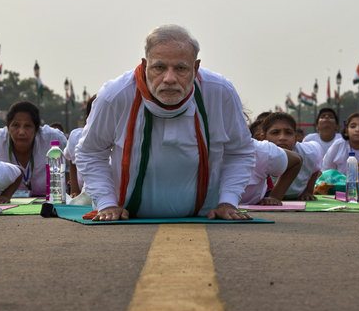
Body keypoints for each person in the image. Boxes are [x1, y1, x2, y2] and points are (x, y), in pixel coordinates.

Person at [75, 24, 255, 221]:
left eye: (180, 68)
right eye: (159, 67)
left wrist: (228, 201)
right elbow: (90, 151)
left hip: (204, 219)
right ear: (145, 66)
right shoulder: (115, 95)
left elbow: (240, 151)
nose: (169, 78)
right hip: (124, 220)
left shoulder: (219, 92)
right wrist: (107, 203)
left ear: (195, 67)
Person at [0, 101, 67, 197]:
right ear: (8, 127)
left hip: (49, 203)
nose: (21, 132)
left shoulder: (54, 138)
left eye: (27, 126)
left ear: (36, 129)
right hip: (1, 204)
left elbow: (70, 169)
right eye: (15, 125)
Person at [261, 112, 322, 201]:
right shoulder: (258, 153)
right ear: (263, 137)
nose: (282, 137)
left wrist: (308, 191)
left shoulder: (309, 152)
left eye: (288, 133)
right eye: (275, 132)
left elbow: (315, 168)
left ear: (296, 137)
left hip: (296, 197)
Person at [322, 112, 359, 181]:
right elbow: (326, 172)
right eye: (353, 126)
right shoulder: (338, 145)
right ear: (346, 131)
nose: (357, 130)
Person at [64, 95, 96, 197]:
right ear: (88, 118)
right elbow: (72, 161)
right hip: (85, 198)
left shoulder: (121, 138)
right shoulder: (77, 137)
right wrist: (75, 191)